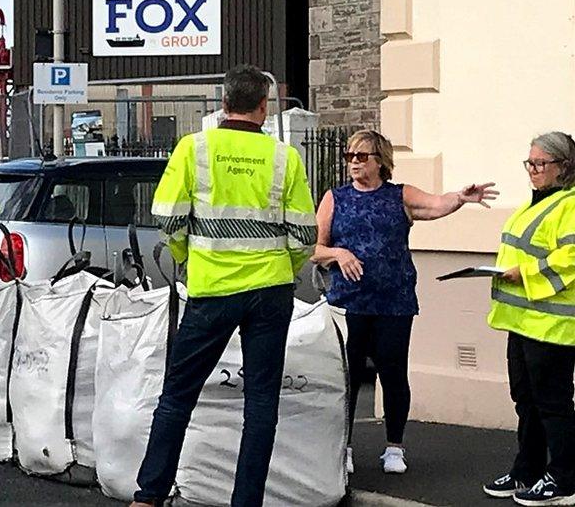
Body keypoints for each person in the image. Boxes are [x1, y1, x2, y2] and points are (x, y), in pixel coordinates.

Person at [131, 64, 317, 507]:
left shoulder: (193, 148)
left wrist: (188, 259)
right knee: (260, 404)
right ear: (263, 107)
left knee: (177, 395)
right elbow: (305, 236)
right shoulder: (284, 157)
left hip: (211, 290)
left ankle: (149, 495)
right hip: (270, 293)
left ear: (223, 103)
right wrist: (283, 269)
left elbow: (168, 218)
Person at [311, 130, 498, 475]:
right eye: (349, 156)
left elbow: (435, 205)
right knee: (347, 377)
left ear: (381, 161)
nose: (353, 162)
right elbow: (315, 250)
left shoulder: (399, 195)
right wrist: (338, 252)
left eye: (361, 156)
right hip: (347, 303)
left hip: (393, 300)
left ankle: (394, 447)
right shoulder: (335, 198)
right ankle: (344, 447)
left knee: (393, 373)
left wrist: (460, 197)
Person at [483, 132, 575, 505]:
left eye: (541, 164)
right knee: (527, 401)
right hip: (522, 321)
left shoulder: (568, 204)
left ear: (563, 167)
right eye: (530, 163)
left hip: (552, 325)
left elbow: (570, 258)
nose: (533, 171)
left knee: (553, 404)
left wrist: (526, 273)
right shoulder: (536, 203)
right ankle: (528, 471)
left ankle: (566, 479)